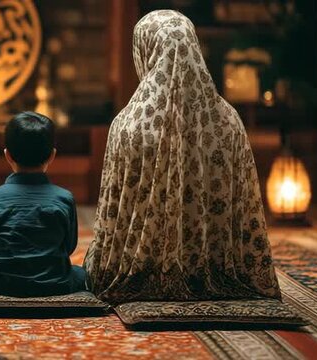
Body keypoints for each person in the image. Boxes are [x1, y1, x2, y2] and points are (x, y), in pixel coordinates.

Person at [83, 10, 281, 303]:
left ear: (146, 50)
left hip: (138, 271)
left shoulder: (129, 125)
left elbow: (113, 214)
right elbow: (245, 206)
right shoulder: (228, 121)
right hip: (216, 266)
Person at [0, 112, 87, 297]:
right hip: (55, 284)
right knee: (79, 273)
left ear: (8, 155)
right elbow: (69, 246)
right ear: (52, 156)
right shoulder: (64, 198)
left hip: (1, 284)